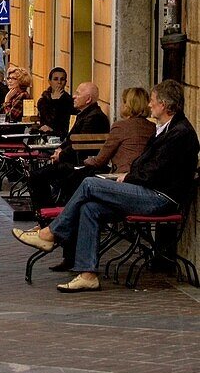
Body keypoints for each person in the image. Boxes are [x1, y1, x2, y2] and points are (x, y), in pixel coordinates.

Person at [13, 80, 200, 292]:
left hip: (160, 198)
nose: (149, 105)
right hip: (149, 191)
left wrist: (128, 178)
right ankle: (87, 274)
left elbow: (155, 171)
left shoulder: (179, 133)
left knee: (90, 184)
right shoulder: (164, 129)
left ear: (165, 105)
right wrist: (130, 175)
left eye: (153, 101)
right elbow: (143, 164)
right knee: (90, 208)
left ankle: (50, 233)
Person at [46, 87, 155, 273]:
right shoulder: (152, 128)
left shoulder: (121, 126)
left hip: (126, 185)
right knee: (88, 207)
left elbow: (101, 159)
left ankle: (54, 234)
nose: (122, 105)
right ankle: (84, 268)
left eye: (124, 102)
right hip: (140, 185)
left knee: (82, 184)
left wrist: (88, 161)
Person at [26, 82, 111, 212]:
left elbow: (81, 145)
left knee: (37, 177)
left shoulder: (94, 117)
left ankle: (47, 217)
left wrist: (61, 155)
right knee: (37, 175)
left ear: (88, 99)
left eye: (78, 93)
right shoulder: (84, 114)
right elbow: (70, 140)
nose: (74, 97)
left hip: (81, 165)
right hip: (73, 161)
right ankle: (48, 215)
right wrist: (59, 150)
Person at [36, 67, 73, 136]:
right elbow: (45, 119)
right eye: (55, 79)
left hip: (60, 136)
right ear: (50, 82)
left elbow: (59, 123)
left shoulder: (69, 101)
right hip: (44, 135)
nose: (59, 82)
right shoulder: (43, 99)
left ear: (65, 82)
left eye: (62, 79)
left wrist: (56, 101)